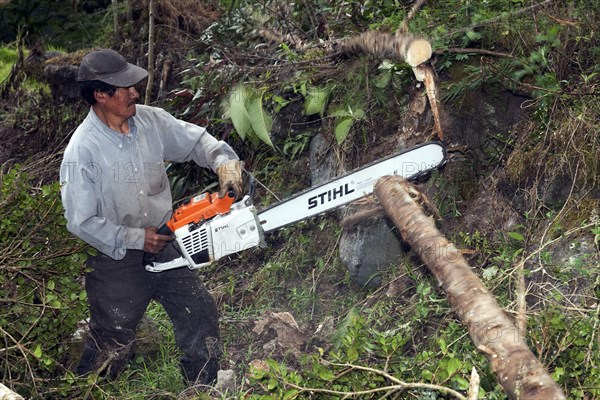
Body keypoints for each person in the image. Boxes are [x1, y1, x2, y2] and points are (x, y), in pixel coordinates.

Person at [59, 48, 243, 385]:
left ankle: (202, 384)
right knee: (111, 338)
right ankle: (84, 390)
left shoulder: (150, 120)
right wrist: (135, 237)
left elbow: (195, 141)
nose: (134, 91)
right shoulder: (82, 151)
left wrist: (223, 160)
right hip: (113, 257)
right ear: (101, 94)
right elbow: (80, 221)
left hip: (165, 242)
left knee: (198, 309)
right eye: (124, 87)